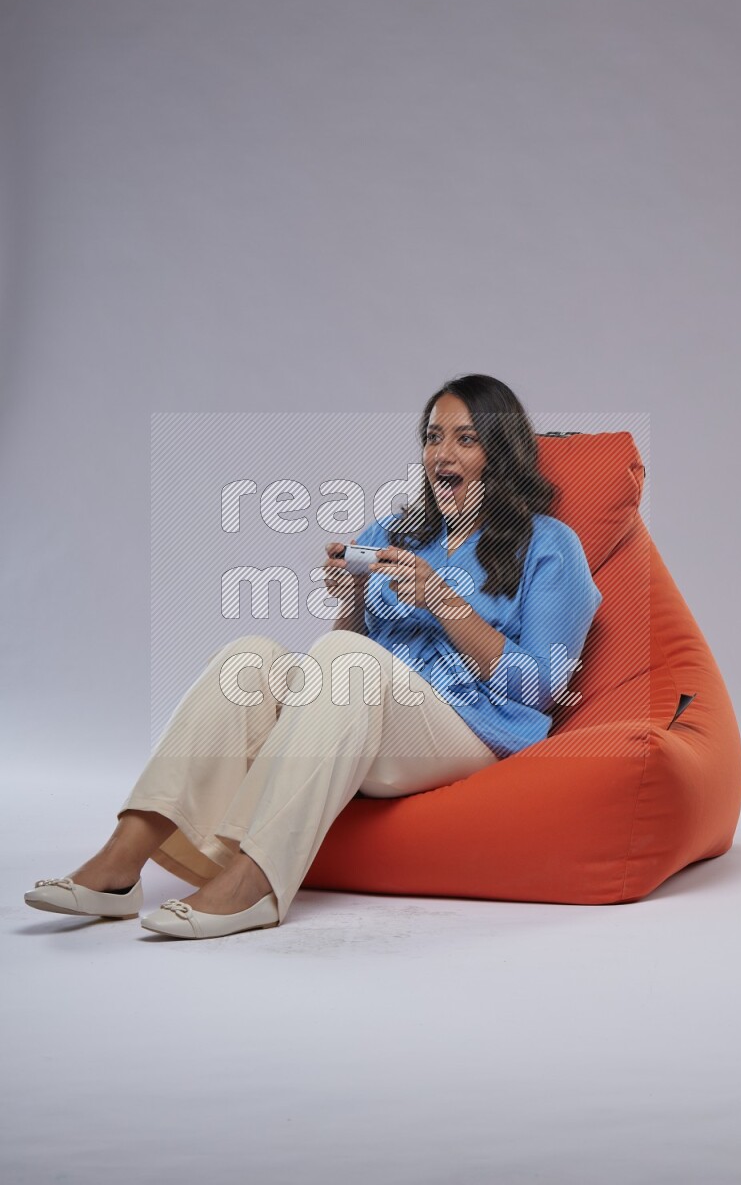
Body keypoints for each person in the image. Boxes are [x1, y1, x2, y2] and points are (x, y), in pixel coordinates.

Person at [24, 374, 602, 939]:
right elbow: (347, 650)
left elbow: (542, 687)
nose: (441, 454)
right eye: (433, 437)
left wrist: (443, 600)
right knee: (250, 659)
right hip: (378, 722)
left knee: (349, 659)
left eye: (465, 439)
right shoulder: (396, 530)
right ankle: (121, 863)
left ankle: (254, 880)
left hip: (472, 730)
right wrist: (351, 599)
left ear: (501, 454)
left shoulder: (550, 544)